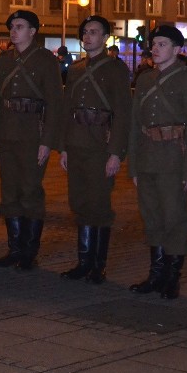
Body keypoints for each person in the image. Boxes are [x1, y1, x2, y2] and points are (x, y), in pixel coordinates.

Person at [127, 25, 187, 300]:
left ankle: (172, 278)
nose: (156, 49)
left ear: (176, 49)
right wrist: (134, 165)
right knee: (152, 217)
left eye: (162, 44)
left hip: (174, 156)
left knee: (174, 218)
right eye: (154, 44)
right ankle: (156, 274)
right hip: (148, 154)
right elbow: (135, 125)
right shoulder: (145, 79)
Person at [0, 10, 62, 270]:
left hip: (32, 134)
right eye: (12, 26)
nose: (13, 31)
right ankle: (14, 249)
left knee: (30, 191)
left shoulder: (45, 60)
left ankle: (29, 252)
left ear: (33, 31)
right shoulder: (3, 61)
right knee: (9, 193)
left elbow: (54, 103)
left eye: (20, 26)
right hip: (6, 133)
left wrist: (47, 141)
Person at [57, 15, 131, 282]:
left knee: (99, 204)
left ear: (105, 37)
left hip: (100, 145)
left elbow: (122, 114)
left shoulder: (116, 70)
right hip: (76, 143)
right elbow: (67, 110)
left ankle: (97, 265)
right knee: (79, 202)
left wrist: (115, 153)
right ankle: (83, 262)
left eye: (94, 32)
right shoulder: (75, 69)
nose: (88, 37)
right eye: (85, 32)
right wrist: (63, 146)